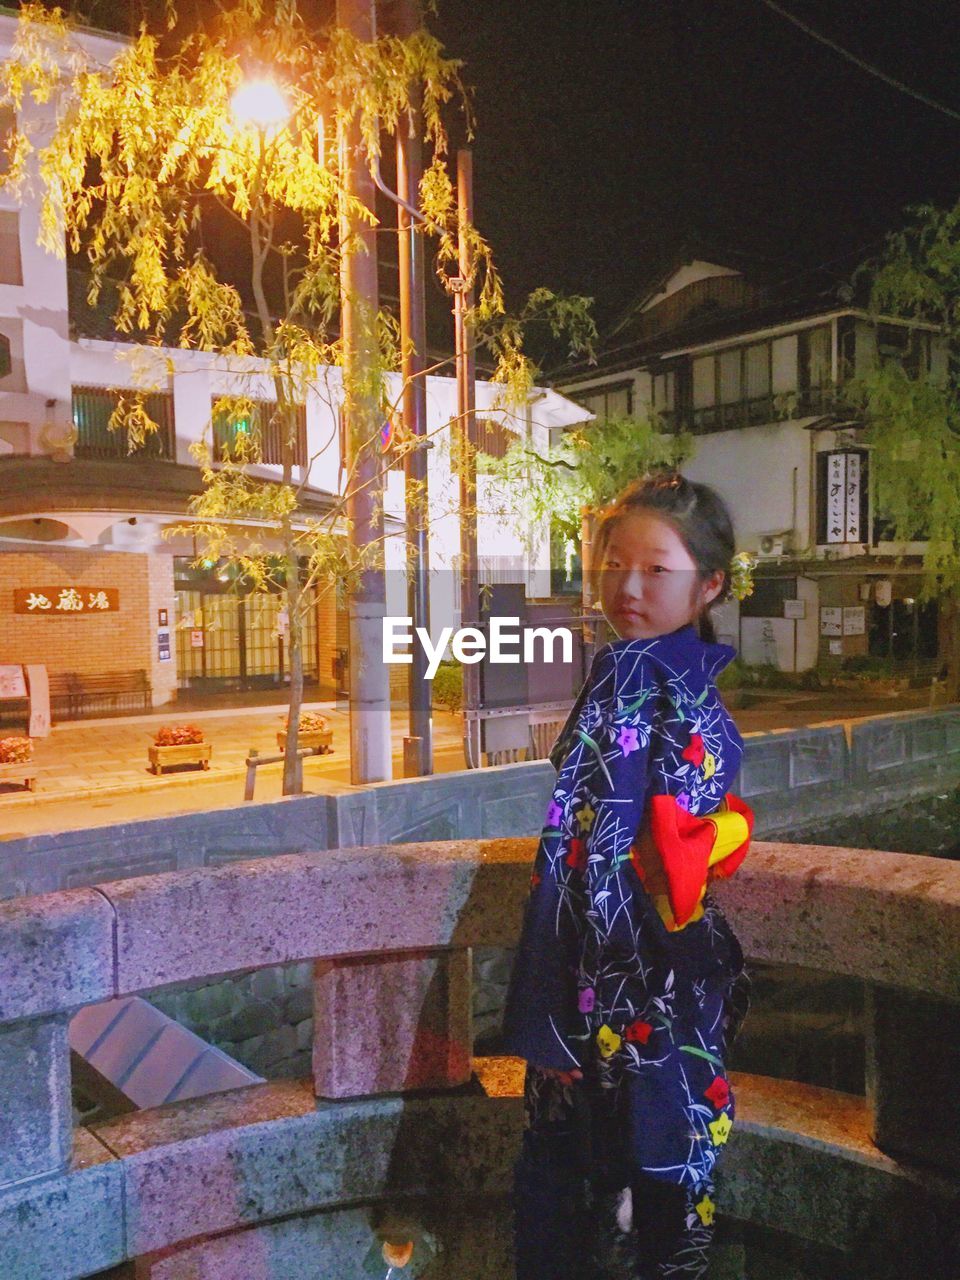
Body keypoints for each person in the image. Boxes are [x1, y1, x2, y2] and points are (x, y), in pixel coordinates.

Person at [502, 471, 755, 1280]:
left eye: (656, 569)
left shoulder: (631, 677)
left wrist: (555, 1015)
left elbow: (590, 862)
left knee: (564, 1212)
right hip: (675, 995)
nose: (627, 586)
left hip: (620, 998)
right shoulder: (682, 678)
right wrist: (720, 833)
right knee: (668, 1209)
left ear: (709, 583)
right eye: (613, 564)